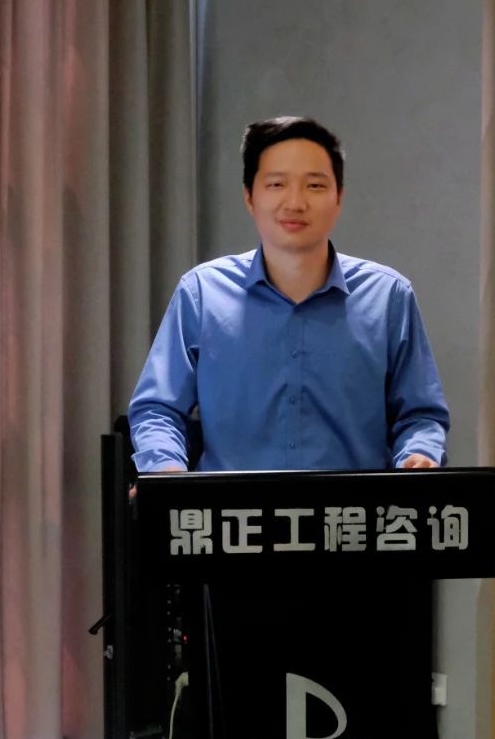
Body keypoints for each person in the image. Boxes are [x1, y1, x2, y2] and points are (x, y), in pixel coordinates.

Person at [128, 116, 449, 473]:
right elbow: (158, 409)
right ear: (249, 196)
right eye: (277, 184)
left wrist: (419, 455)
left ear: (339, 197)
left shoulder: (388, 296)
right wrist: (167, 471)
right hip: (231, 507)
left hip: (354, 506)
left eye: (314, 185)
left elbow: (420, 415)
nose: (295, 202)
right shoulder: (202, 293)